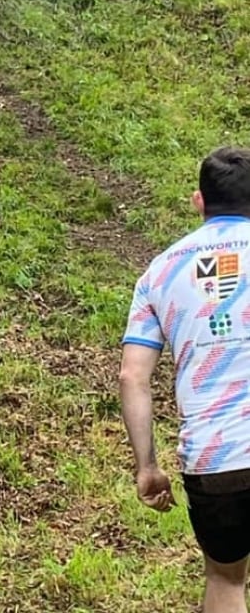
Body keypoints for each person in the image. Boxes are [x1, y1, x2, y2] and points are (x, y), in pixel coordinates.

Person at [120, 146, 250, 613]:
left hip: (217, 459)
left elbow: (132, 375)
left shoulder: (160, 272)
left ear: (199, 201)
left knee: (226, 580)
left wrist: (147, 465)